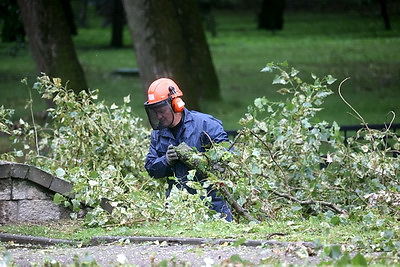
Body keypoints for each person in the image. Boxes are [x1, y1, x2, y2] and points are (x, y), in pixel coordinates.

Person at [144, 77, 233, 222]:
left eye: (161, 110)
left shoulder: (206, 125)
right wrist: (166, 161)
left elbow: (228, 159)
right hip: (178, 208)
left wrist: (202, 161)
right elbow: (151, 168)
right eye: (155, 112)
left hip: (213, 205)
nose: (158, 116)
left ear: (176, 105)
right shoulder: (158, 134)